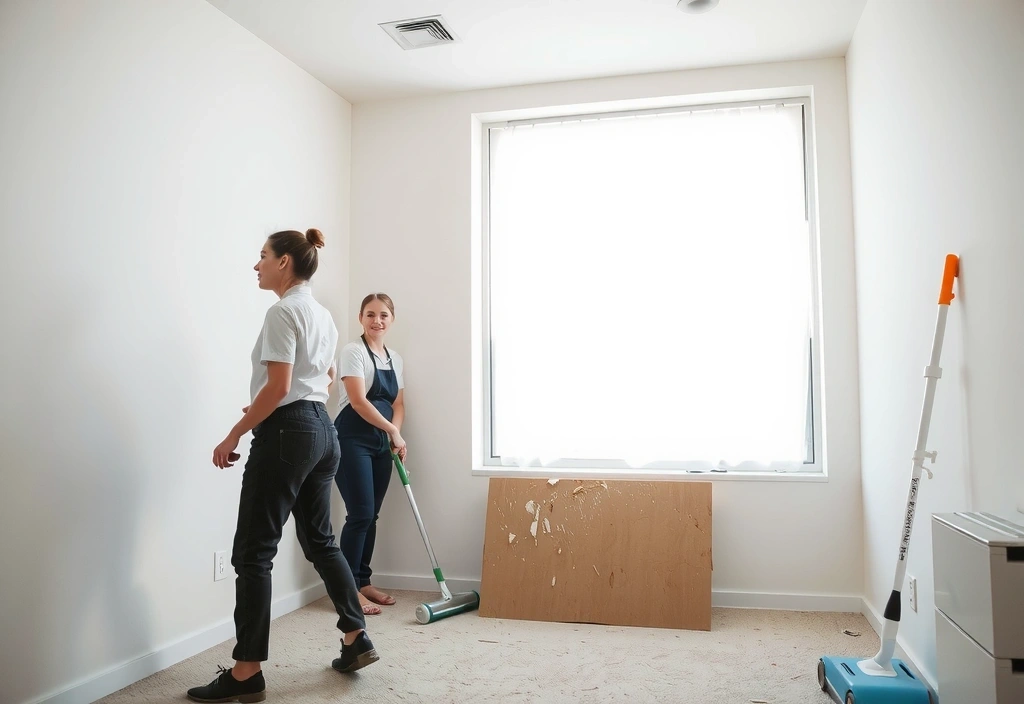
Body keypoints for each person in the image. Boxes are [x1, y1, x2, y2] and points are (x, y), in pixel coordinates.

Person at [187, 229, 379, 704]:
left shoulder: (282, 311)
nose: (257, 266)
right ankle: (356, 639)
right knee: (321, 540)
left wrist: (234, 432)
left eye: (262, 257)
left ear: (286, 262)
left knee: (253, 551)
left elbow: (277, 387)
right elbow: (327, 377)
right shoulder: (323, 315)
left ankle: (246, 671)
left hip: (288, 430)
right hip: (323, 431)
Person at [334, 293, 406, 616]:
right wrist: (391, 430)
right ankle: (347, 591)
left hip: (381, 443)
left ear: (392, 320)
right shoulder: (353, 352)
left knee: (371, 515)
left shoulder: (396, 359)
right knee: (360, 514)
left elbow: (398, 404)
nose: (377, 320)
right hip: (352, 438)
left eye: (383, 315)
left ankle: (363, 582)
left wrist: (395, 432)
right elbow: (359, 401)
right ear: (360, 318)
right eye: (370, 314)